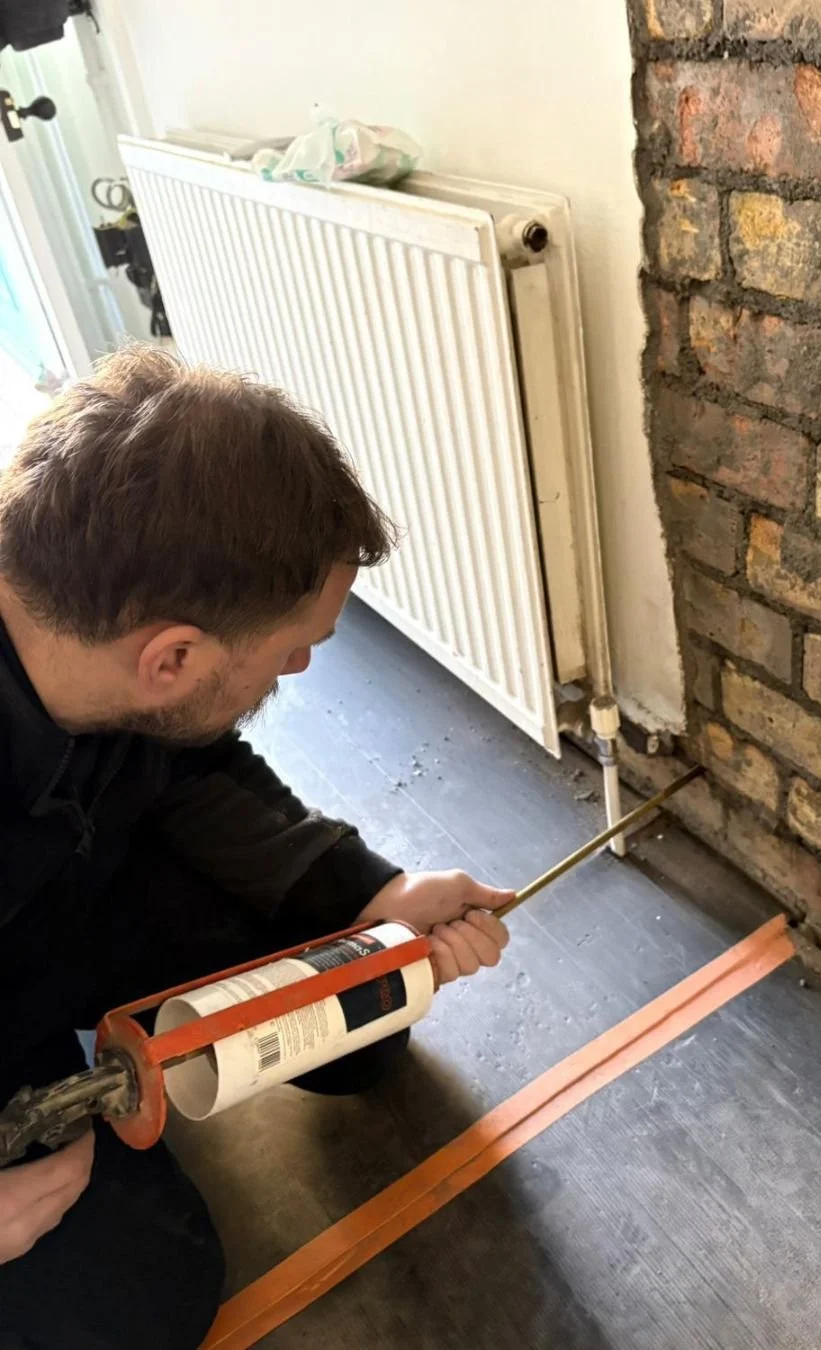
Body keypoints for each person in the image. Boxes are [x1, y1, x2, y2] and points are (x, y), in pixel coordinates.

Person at [0, 346, 511, 1349]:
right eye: (290, 651)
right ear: (172, 659)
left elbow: (191, 763)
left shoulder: (97, 638)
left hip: (69, 895)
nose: (306, 664)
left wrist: (373, 897)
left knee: (359, 1002)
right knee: (145, 1301)